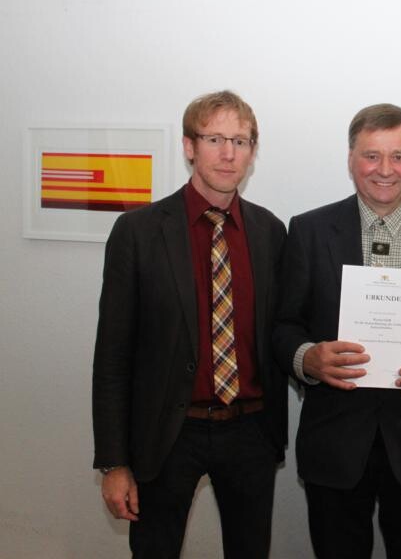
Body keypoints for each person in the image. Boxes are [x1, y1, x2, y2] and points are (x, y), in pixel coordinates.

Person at [273, 103, 401, 559]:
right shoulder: (308, 230)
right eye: (372, 155)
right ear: (351, 159)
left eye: (399, 156)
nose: (385, 170)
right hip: (335, 443)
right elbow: (284, 324)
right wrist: (307, 358)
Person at [92, 90, 287, 558]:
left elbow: (283, 332)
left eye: (240, 141)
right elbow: (113, 356)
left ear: (253, 151)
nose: (228, 153)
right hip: (167, 433)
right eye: (215, 139)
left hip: (250, 429)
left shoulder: (270, 232)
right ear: (189, 146)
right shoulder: (138, 232)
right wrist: (114, 463)